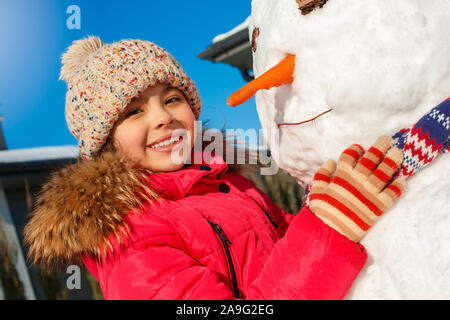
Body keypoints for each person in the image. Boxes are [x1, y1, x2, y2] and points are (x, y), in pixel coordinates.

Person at [24, 36, 406, 300]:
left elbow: (284, 246)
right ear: (104, 143)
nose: (162, 118)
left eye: (172, 99)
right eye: (134, 111)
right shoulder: (128, 239)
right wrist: (329, 230)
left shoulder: (225, 184)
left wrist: (326, 204)